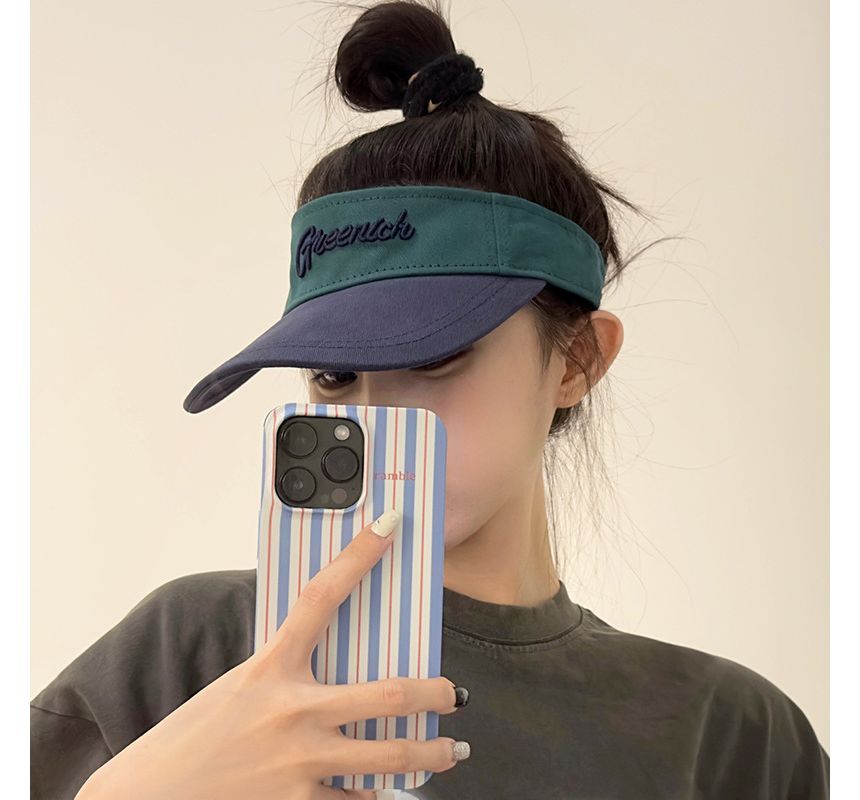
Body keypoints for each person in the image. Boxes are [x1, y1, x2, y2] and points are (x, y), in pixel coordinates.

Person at [30, 1, 829, 798]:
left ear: (577, 359)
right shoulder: (193, 653)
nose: (374, 418)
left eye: (436, 357)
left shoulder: (732, 737)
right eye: (334, 375)